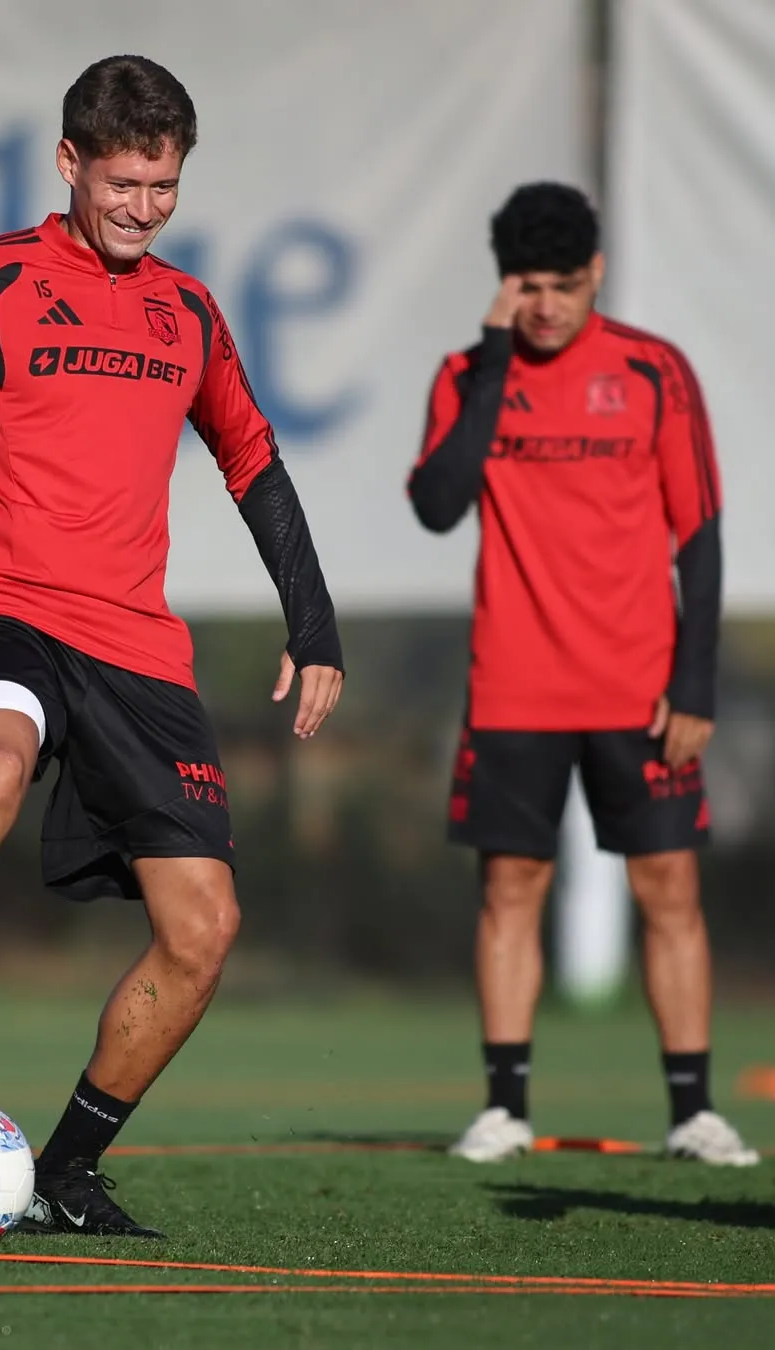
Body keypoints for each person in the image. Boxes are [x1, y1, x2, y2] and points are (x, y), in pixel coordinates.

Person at [0, 55, 344, 1236]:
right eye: (122, 182)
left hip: (136, 645)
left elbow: (253, 460)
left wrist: (315, 624)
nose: (143, 207)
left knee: (204, 930)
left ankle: (65, 1173)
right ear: (69, 164)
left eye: (164, 185)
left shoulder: (188, 312)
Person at [406, 182, 756, 1166]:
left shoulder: (654, 371)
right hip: (513, 688)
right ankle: (503, 1108)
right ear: (503, 285)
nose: (548, 306)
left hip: (641, 691)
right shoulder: (467, 373)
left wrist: (696, 684)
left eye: (565, 284)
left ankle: (693, 1111)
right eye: (529, 286)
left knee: (669, 888)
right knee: (511, 888)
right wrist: (491, 362)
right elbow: (438, 504)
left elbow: (701, 536)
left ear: (596, 273)